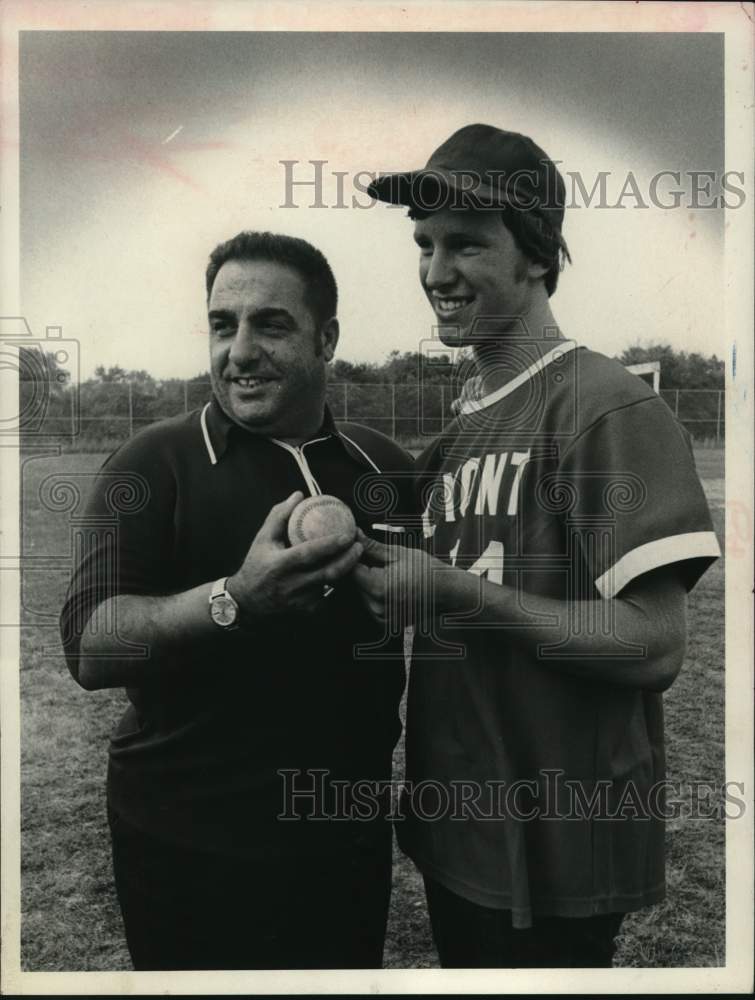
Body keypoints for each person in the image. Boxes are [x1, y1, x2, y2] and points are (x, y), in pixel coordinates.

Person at [356, 124, 722, 968]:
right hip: (465, 834)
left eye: (465, 245)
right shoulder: (468, 422)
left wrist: (452, 595)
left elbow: (653, 643)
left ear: (533, 253)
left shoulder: (603, 405)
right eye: (423, 244)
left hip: (558, 845)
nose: (435, 272)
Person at [59, 231, 413, 971]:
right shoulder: (153, 463)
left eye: (271, 324)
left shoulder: (381, 466)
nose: (240, 351)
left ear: (328, 339)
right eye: (224, 325)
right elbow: (91, 648)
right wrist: (236, 600)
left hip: (342, 840)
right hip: (187, 839)